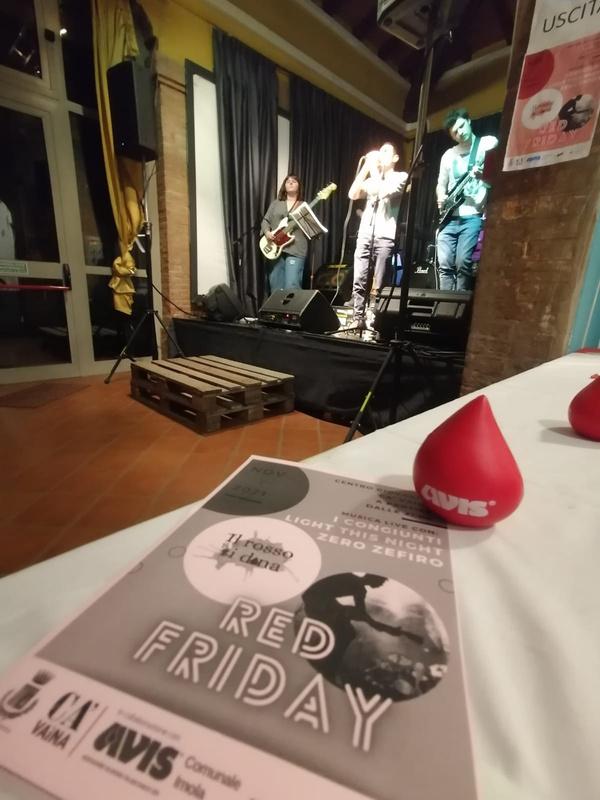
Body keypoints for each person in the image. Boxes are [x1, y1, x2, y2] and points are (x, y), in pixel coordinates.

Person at [436, 109, 498, 291]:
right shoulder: (448, 155)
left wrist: (483, 176)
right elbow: (441, 184)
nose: (460, 132)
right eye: (455, 132)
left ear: (469, 121)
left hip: (472, 215)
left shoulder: (486, 143)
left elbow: (496, 178)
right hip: (449, 217)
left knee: (463, 263)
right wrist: (440, 197)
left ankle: (459, 305)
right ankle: (445, 304)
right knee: (444, 265)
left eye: (462, 126)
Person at [348, 143, 408, 329]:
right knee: (359, 278)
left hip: (385, 235)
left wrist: (373, 168)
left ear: (395, 158)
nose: (381, 154)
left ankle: (376, 320)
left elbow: (383, 191)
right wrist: (366, 166)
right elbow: (353, 194)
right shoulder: (372, 177)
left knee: (380, 281)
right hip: (365, 233)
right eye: (380, 151)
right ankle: (358, 318)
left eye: (386, 151)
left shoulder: (401, 177)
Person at [261, 174, 308, 292]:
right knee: (275, 285)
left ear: (299, 186)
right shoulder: (276, 203)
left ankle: (292, 306)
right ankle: (277, 305)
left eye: (294, 181)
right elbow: (265, 221)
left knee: (292, 285)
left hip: (296, 248)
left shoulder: (303, 206)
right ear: (284, 186)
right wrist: (267, 233)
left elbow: (310, 228)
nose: (290, 183)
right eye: (288, 181)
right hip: (275, 249)